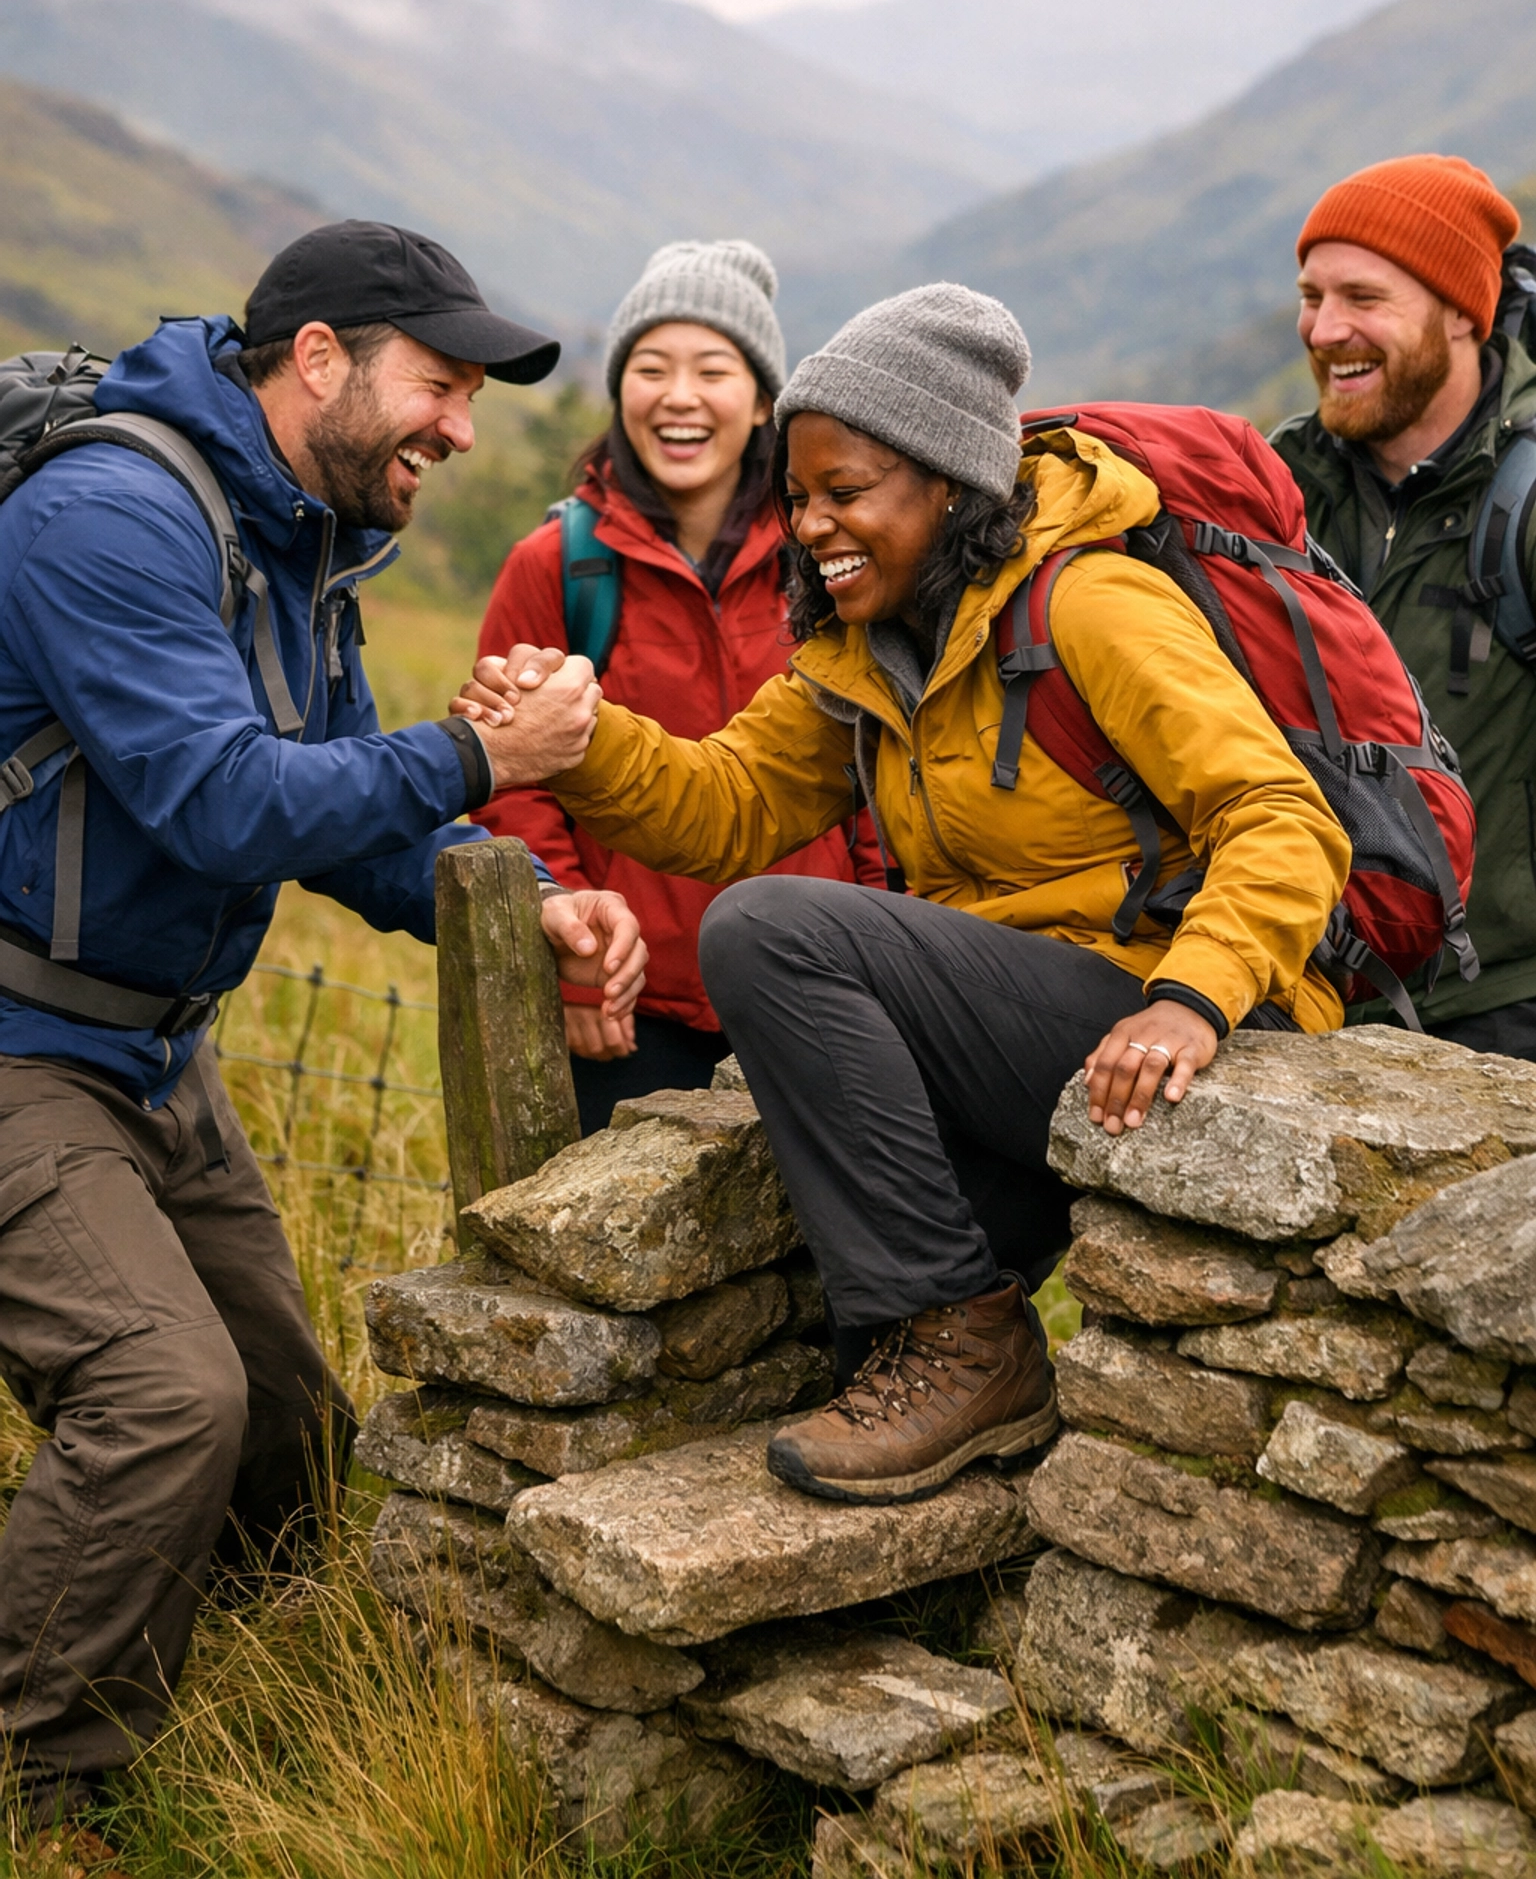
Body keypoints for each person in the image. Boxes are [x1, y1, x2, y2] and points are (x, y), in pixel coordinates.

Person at [456, 283, 1351, 1507]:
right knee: (827, 1314)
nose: (814, 522)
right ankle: (937, 1381)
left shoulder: (1090, 604)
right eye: (802, 494)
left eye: (847, 490)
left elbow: (1284, 816)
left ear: (946, 483)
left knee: (773, 930)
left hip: (1158, 1018)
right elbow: (722, 805)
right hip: (1030, 1034)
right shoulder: (867, 653)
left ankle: (965, 1345)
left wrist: (1192, 998)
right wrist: (580, 740)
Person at [0, 220, 640, 1820]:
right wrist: (487, 761)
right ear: (317, 362)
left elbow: (346, 822)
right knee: (165, 1400)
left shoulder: (296, 541)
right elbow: (221, 801)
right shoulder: (110, 517)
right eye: (439, 384)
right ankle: (42, 1785)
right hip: (19, 1044)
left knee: (285, 1431)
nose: (462, 428)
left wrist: (514, 896)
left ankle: (236, 1676)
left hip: (155, 1045)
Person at [475, 239, 882, 1132]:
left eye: (714, 368)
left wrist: (884, 939)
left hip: (815, 985)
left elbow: (876, 769)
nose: (680, 396)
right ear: (621, 389)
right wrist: (575, 948)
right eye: (651, 367)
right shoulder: (560, 565)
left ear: (765, 399)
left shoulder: (832, 555)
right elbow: (512, 782)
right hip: (626, 1009)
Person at [1271, 154, 1536, 1054]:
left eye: (1363, 297)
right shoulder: (1271, 496)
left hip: (1502, 1009)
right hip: (1304, 998)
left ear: (1464, 309)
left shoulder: (1527, 500)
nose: (1325, 328)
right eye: (1312, 295)